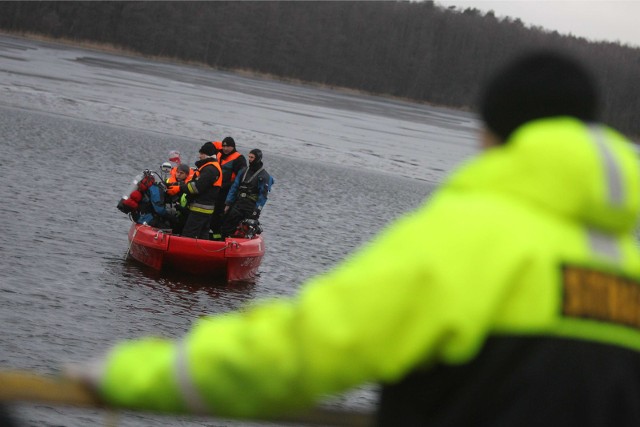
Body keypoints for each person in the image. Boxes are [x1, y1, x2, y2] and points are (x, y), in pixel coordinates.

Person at [68, 50, 640, 425]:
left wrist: (131, 376)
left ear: (493, 133)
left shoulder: (471, 237)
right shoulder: (629, 259)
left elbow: (306, 349)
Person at [220, 148, 274, 238]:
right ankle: (224, 241)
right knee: (227, 225)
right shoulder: (243, 171)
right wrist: (228, 203)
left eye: (252, 157)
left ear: (258, 158)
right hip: (239, 203)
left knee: (245, 228)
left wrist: (257, 211)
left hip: (251, 207)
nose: (249, 159)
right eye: (249, 157)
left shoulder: (264, 176)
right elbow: (234, 187)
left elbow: (263, 196)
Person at [178, 142, 222, 239]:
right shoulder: (211, 167)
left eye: (201, 153)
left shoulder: (210, 169)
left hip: (200, 209)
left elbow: (196, 187)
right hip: (205, 209)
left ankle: (185, 253)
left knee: (189, 234)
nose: (199, 156)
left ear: (207, 154)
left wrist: (181, 188)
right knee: (202, 235)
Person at [210, 136, 247, 238]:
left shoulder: (239, 159)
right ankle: (213, 235)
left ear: (233, 147)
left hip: (228, 191)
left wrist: (226, 186)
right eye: (224, 146)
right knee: (212, 215)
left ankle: (220, 237)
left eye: (228, 146)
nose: (225, 148)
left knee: (221, 215)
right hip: (215, 189)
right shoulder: (218, 155)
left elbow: (241, 178)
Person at [166, 163, 192, 234]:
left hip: (182, 213)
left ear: (186, 175)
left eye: (181, 173)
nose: (178, 174)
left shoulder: (189, 186)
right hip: (169, 210)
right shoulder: (168, 181)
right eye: (177, 172)